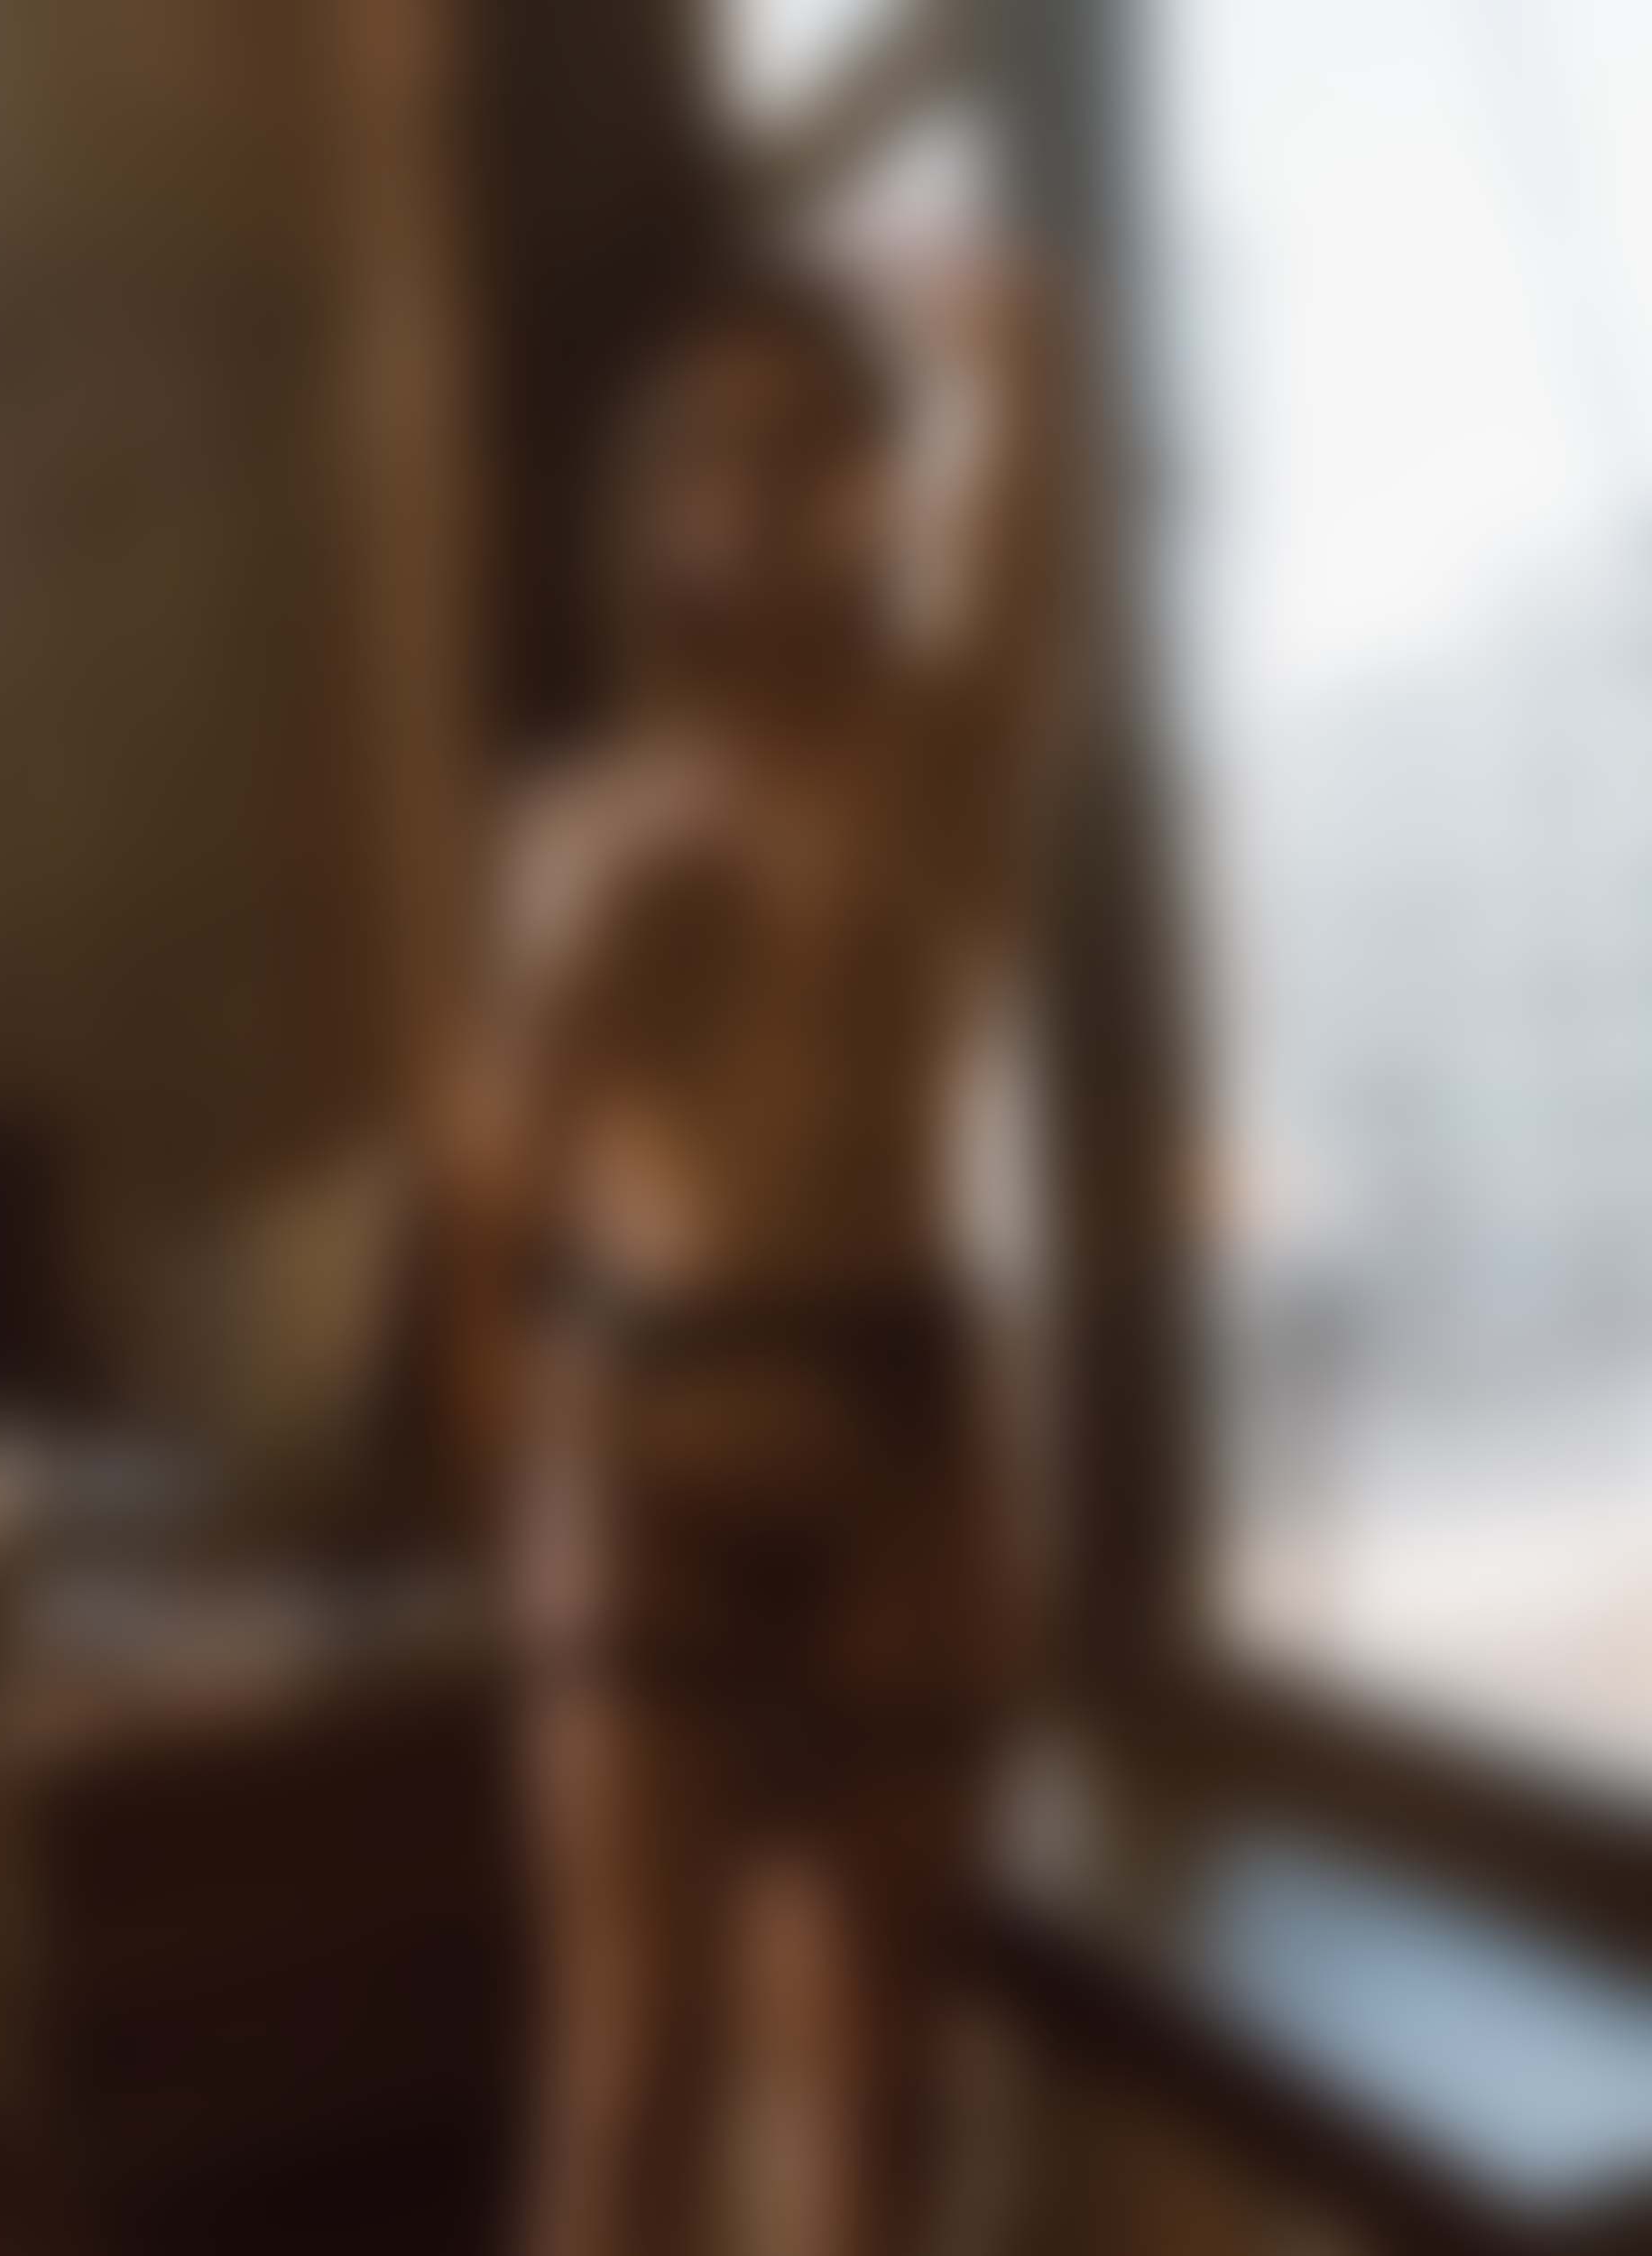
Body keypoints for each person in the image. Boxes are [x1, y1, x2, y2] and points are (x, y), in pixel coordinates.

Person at [443, 251, 1086, 2256]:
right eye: (710, 452)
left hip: (897, 1445)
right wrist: (564, 994)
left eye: (809, 440)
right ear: (650, 522)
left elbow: (1031, 540)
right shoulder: (572, 820)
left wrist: (1013, 358)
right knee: (626, 2082)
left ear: (872, 487)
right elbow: (491, 1194)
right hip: (637, 1450)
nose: (760, 485)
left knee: (875, 2096)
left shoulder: (943, 742)